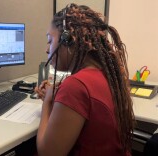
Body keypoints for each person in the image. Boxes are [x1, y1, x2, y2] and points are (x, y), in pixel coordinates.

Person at [35, 3, 134, 156]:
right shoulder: (107, 74)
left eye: (50, 40)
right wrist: (59, 99)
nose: (47, 49)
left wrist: (47, 102)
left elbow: (47, 153)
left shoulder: (75, 86)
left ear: (66, 40)